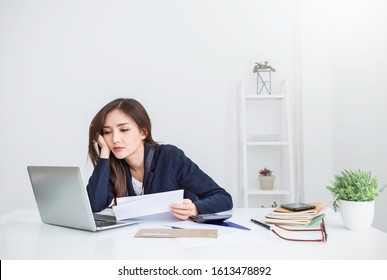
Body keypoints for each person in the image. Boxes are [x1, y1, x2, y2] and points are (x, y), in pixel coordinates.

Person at [87, 98, 233, 220]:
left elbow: (223, 198)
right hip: (135, 241)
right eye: (107, 132)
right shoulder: (113, 165)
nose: (115, 139)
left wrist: (195, 208)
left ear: (143, 132)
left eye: (124, 130)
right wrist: (104, 153)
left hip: (177, 238)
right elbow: (93, 205)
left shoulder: (170, 157)